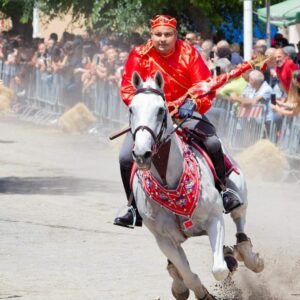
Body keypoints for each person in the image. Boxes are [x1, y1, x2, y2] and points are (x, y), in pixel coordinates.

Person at [114, 15, 243, 228]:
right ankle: (132, 208)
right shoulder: (139, 55)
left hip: (185, 114)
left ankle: (225, 191)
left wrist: (192, 104)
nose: (162, 39)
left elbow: (205, 88)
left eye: (167, 35)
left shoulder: (189, 54)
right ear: (151, 35)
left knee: (212, 143)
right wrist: (148, 106)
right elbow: (128, 88)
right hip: (151, 118)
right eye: (158, 34)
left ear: (175, 35)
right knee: (125, 157)